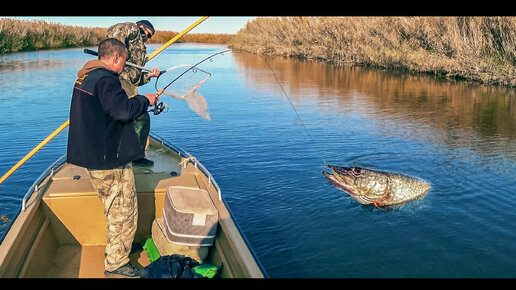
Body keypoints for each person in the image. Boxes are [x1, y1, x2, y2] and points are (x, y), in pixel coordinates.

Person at [67, 38, 159, 278]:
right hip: (108, 159)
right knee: (123, 210)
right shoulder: (106, 80)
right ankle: (116, 265)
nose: (125, 65)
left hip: (93, 155)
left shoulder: (87, 77)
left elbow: (107, 111)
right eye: (125, 60)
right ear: (117, 58)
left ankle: (121, 247)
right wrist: (144, 100)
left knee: (113, 208)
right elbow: (122, 111)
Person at [107, 20, 160, 167]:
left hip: (127, 85)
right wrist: (115, 56)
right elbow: (115, 32)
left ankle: (128, 153)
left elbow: (134, 79)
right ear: (142, 28)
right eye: (148, 34)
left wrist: (149, 76)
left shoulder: (137, 47)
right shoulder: (132, 29)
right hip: (118, 84)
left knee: (137, 116)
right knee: (140, 115)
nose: (148, 39)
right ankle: (134, 156)